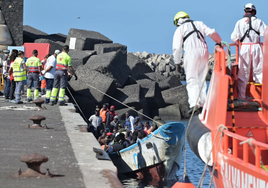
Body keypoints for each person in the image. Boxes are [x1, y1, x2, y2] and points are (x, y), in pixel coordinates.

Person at [172, 11, 222, 114]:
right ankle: (203, 104)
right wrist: (219, 41)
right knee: (201, 79)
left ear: (178, 21)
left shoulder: (180, 29)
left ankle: (194, 105)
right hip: (204, 51)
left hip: (191, 53)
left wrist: (177, 63)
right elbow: (211, 33)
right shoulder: (199, 23)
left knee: (191, 80)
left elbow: (177, 48)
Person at [231, 3, 266, 99]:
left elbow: (233, 37)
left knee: (243, 74)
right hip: (256, 47)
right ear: (254, 11)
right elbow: (265, 34)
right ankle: (261, 97)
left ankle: (242, 98)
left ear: (245, 11)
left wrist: (239, 43)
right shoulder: (259, 22)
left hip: (245, 48)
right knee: (259, 72)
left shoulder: (239, 22)